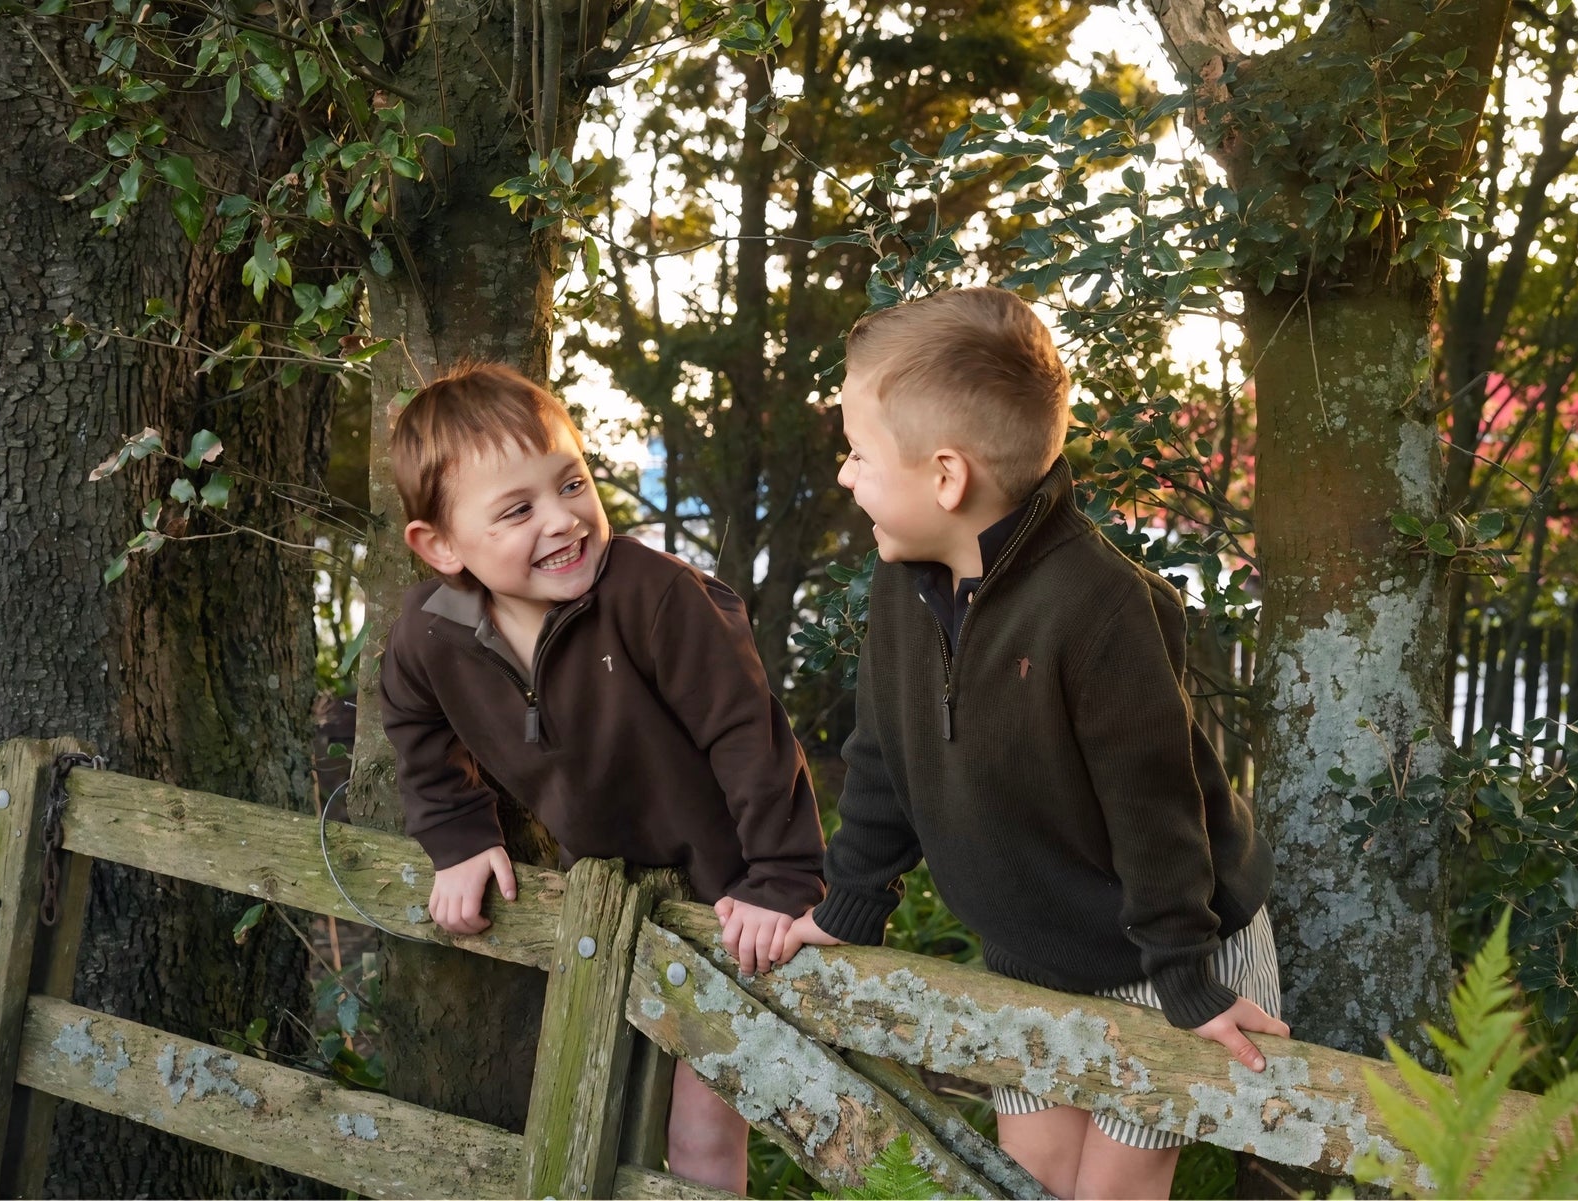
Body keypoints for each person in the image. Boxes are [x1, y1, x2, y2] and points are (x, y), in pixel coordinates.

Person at [778, 288, 1288, 1199]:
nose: (846, 476)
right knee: (1032, 1178)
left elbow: (1156, 809)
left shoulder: (1099, 608)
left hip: (1170, 947)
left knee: (1111, 1195)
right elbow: (883, 755)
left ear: (947, 477)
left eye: (858, 453)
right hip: (1039, 956)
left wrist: (1186, 978)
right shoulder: (901, 584)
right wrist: (851, 901)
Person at [378, 362, 824, 1193]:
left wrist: (783, 877)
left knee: (700, 1139)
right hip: (605, 905)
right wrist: (457, 836)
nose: (563, 518)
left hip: (730, 906)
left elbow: (750, 736)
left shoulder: (659, 599)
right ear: (441, 546)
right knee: (597, 1121)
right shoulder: (431, 636)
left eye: (572, 483)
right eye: (517, 509)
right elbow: (416, 725)